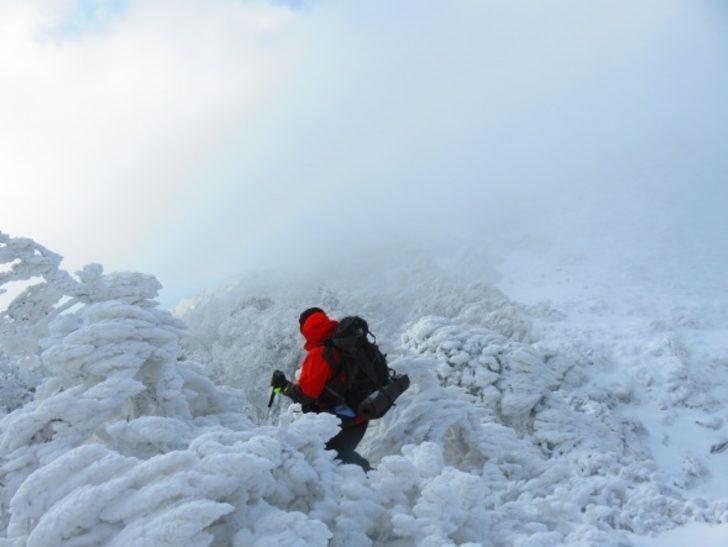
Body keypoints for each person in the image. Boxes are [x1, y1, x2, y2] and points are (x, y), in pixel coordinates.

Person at [270, 307, 372, 471]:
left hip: (342, 422)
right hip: (361, 413)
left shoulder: (320, 354)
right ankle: (373, 481)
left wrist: (282, 387)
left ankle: (373, 482)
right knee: (340, 457)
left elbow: (306, 396)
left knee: (328, 459)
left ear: (306, 330)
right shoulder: (347, 342)